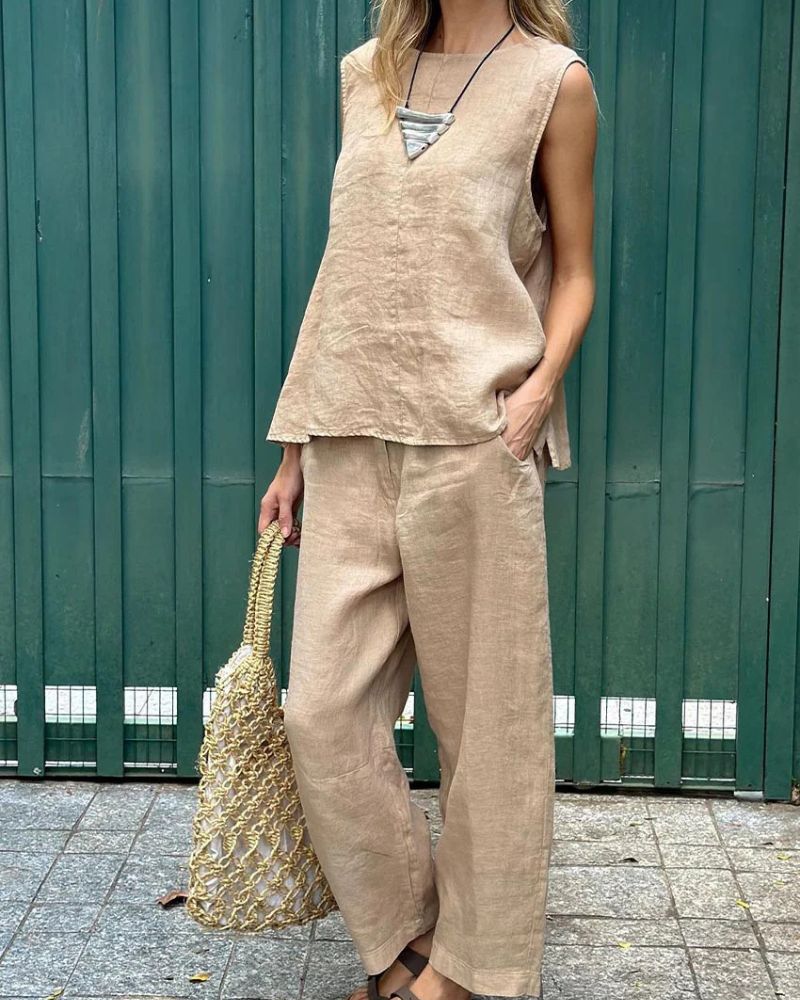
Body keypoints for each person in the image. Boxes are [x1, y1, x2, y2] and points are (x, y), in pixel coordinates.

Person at [258, 1, 598, 997]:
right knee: (322, 711)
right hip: (349, 432)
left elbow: (575, 268)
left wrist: (537, 392)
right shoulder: (364, 72)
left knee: (489, 728)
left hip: (473, 440)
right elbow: (346, 271)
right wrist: (293, 446)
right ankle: (406, 932)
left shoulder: (553, 83)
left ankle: (469, 967)